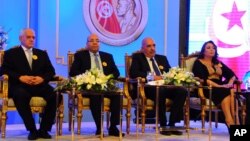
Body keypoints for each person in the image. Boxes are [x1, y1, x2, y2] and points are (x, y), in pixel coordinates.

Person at [1, 28, 58, 140]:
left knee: (55, 95)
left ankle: (44, 129)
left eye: (33, 37)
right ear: (20, 38)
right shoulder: (10, 54)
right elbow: (3, 70)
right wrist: (20, 77)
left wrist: (42, 78)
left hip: (39, 85)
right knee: (21, 95)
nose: (32, 39)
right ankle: (32, 130)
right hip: (19, 86)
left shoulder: (41, 54)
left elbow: (51, 71)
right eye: (28, 37)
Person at [69, 33, 124, 137]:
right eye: (92, 40)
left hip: (105, 85)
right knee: (96, 95)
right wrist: (87, 77)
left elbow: (116, 73)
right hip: (88, 87)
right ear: (87, 44)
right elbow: (73, 72)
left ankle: (113, 127)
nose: (95, 42)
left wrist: (105, 78)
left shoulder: (107, 56)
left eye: (97, 40)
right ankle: (99, 127)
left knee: (117, 95)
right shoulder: (80, 56)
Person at [129, 37, 187, 136]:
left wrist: (172, 78)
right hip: (147, 88)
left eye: (154, 45)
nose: (152, 48)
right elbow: (133, 73)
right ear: (143, 49)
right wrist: (152, 77)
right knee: (160, 91)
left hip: (164, 86)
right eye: (149, 46)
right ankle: (163, 124)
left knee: (182, 91)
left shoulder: (162, 58)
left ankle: (172, 124)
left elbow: (169, 72)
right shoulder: (137, 57)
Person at [192, 40, 238, 132]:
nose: (211, 50)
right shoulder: (198, 62)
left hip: (221, 88)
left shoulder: (217, 63)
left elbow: (232, 75)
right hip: (207, 88)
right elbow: (203, 79)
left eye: (213, 48)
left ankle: (230, 121)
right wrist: (219, 86)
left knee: (230, 91)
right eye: (208, 48)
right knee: (229, 92)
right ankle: (233, 122)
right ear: (203, 51)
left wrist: (229, 83)